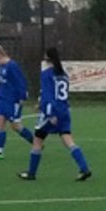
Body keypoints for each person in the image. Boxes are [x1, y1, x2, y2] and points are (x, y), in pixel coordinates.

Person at [20, 46, 92, 182]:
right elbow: (60, 95)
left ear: (47, 59)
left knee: (37, 141)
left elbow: (48, 96)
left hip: (51, 112)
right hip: (64, 111)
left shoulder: (46, 74)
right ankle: (84, 168)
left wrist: (48, 113)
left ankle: (31, 173)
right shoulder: (64, 74)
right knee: (68, 140)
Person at [0, 45, 35, 160]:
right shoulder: (1, 67)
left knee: (16, 126)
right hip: (3, 100)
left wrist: (22, 97)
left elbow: (20, 81)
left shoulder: (12, 66)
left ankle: (35, 142)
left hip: (13, 101)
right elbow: (0, 83)